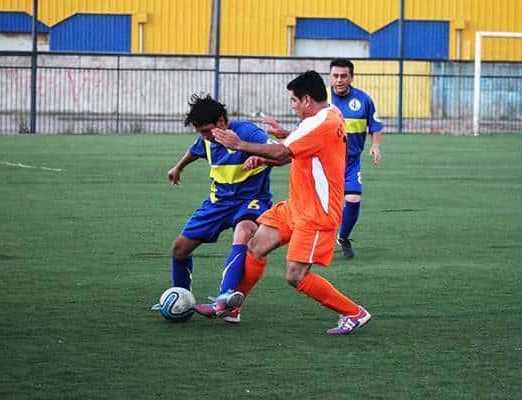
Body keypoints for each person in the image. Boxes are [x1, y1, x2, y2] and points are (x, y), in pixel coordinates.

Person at [206, 70, 371, 335]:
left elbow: (283, 152)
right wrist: (273, 148)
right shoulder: (329, 114)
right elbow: (290, 153)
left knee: (295, 276)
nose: (292, 105)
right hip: (297, 206)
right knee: (256, 245)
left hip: (317, 212)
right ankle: (233, 308)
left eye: (293, 100)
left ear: (306, 100)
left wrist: (240, 145)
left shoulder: (319, 124)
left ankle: (354, 312)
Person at [152, 93, 273, 323]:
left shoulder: (248, 132)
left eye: (207, 131)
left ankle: (225, 297)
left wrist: (261, 158)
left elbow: (281, 152)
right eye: (201, 132)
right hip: (218, 203)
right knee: (179, 249)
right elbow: (195, 150)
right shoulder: (207, 139)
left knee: (244, 230)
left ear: (221, 122)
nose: (205, 137)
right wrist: (178, 167)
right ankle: (181, 297)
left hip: (252, 199)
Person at [263, 58, 384, 259]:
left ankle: (343, 237)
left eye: (344, 76)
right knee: (323, 205)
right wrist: (285, 134)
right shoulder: (322, 100)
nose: (339, 80)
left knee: (353, 199)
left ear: (351, 77)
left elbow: (376, 124)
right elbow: (307, 134)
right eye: (335, 75)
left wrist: (375, 145)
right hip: (325, 163)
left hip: (350, 161)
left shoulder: (363, 99)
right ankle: (313, 236)